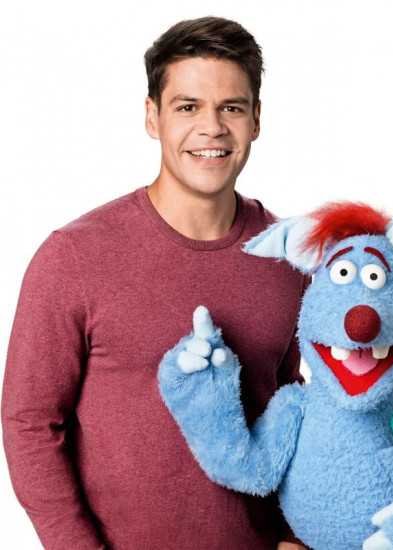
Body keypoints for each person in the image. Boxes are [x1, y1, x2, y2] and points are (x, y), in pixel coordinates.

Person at [2, 16, 308, 550]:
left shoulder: (288, 258)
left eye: (231, 108)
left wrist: (296, 535)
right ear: (152, 116)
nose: (211, 128)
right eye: (187, 107)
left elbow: (297, 410)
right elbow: (29, 423)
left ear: (256, 119)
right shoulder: (73, 257)